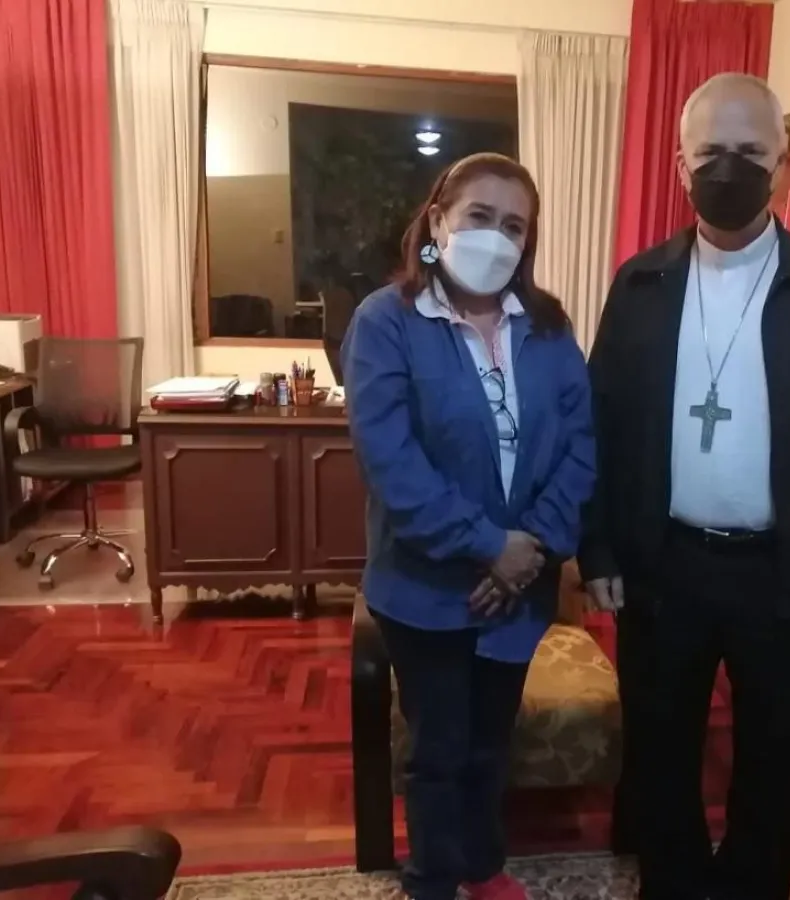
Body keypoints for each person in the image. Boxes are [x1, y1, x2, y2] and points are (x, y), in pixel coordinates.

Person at [580, 74, 790, 900]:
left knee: (780, 760)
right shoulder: (640, 285)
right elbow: (599, 426)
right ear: (679, 166)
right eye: (710, 153)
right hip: (664, 568)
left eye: (750, 151)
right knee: (661, 754)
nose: (728, 169)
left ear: (781, 164)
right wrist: (598, 546)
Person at [342, 152, 595, 900]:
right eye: (479, 216)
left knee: (490, 744)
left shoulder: (548, 328)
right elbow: (392, 463)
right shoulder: (385, 322)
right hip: (425, 587)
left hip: (522, 584)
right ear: (437, 222)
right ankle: (431, 882)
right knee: (439, 750)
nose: (496, 236)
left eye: (514, 225)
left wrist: (531, 550)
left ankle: (482, 868)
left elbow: (583, 446)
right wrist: (489, 547)